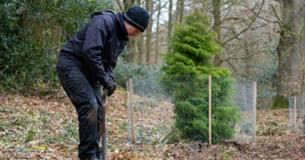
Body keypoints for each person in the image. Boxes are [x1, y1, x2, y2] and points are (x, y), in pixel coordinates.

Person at [56, 5, 149, 160]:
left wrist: (109, 79)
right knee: (90, 105)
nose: (136, 35)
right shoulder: (104, 22)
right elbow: (90, 52)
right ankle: (88, 155)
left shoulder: (122, 38)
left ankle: (95, 153)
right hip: (71, 64)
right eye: (137, 31)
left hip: (90, 72)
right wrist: (104, 79)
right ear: (130, 22)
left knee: (99, 111)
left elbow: (109, 63)